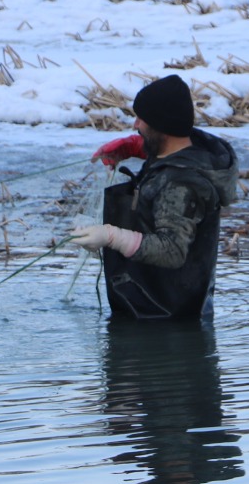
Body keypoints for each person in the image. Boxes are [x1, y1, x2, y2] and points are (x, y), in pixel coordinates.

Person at [70, 74, 239, 319]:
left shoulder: (181, 185)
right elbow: (171, 151)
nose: (135, 125)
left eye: (142, 120)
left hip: (166, 320)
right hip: (148, 306)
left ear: (162, 126)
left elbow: (172, 250)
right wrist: (133, 147)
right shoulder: (189, 149)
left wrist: (110, 236)